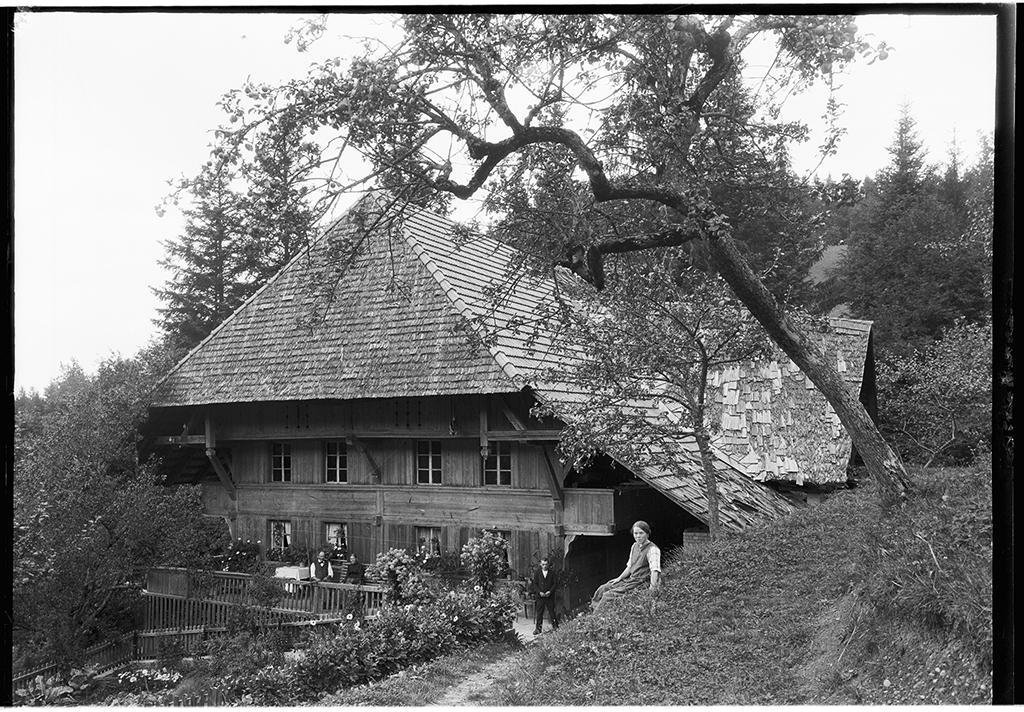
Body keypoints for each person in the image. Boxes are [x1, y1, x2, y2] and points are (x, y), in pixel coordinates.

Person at [591, 520, 661, 611]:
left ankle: (597, 617)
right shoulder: (634, 546)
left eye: (641, 533)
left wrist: (652, 588)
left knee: (608, 595)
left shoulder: (652, 549)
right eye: (635, 533)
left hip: (641, 583)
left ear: (647, 534)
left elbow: (654, 571)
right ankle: (593, 611)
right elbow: (629, 567)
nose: (638, 536)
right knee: (603, 588)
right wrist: (619, 579)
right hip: (631, 579)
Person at [529, 557, 561, 635]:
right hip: (540, 596)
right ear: (540, 564)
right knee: (539, 613)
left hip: (549, 596)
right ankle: (538, 629)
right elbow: (535, 584)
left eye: (546, 564)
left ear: (548, 564)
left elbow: (555, 584)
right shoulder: (537, 573)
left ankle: (555, 627)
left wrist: (550, 591)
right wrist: (539, 592)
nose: (544, 566)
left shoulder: (552, 573)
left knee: (552, 612)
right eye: (543, 564)